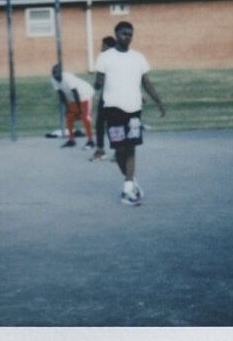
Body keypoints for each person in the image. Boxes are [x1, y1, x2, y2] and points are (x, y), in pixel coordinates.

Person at [94, 22, 166, 206]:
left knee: (131, 147)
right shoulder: (105, 57)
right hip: (113, 109)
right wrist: (95, 87)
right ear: (116, 34)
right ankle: (131, 181)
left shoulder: (138, 58)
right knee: (119, 150)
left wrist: (158, 100)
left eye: (130, 34)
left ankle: (127, 190)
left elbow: (146, 83)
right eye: (124, 33)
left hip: (134, 109)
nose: (128, 37)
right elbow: (99, 81)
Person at [51, 64, 95, 149]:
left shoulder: (68, 78)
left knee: (85, 117)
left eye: (57, 75)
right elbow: (61, 94)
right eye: (54, 74)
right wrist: (67, 108)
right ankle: (71, 140)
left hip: (85, 94)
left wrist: (80, 109)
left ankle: (90, 141)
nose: (56, 77)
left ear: (61, 73)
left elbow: (75, 92)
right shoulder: (53, 79)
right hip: (72, 98)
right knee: (69, 117)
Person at [91, 36, 117, 161]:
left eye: (102, 45)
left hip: (108, 95)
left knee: (100, 123)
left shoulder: (103, 57)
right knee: (116, 123)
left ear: (107, 46)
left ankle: (100, 150)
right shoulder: (120, 56)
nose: (100, 48)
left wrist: (95, 86)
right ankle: (119, 151)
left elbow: (99, 82)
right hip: (121, 94)